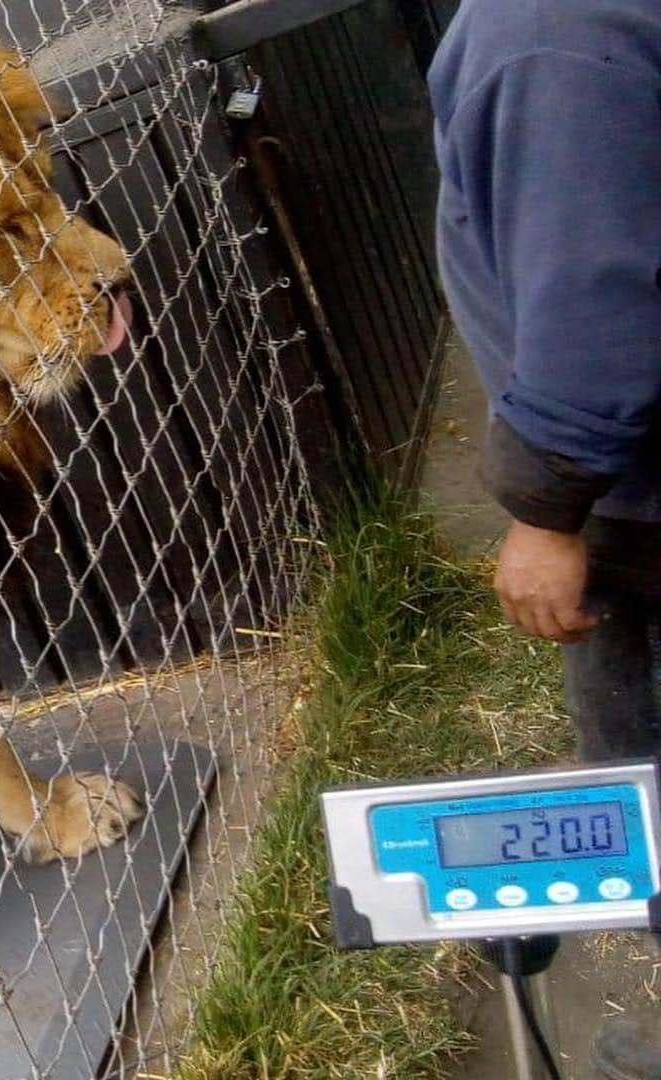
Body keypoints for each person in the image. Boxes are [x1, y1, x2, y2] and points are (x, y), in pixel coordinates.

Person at [429, 2, 661, 1076]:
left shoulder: (550, 38)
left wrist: (547, 506)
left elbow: (595, 296)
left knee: (643, 745)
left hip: (638, 500)